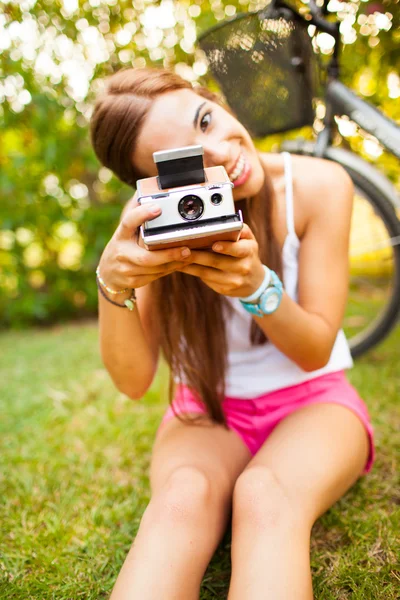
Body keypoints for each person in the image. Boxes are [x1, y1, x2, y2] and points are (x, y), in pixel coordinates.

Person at [90, 66, 375, 600]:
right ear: (154, 186)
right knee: (180, 498)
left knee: (266, 496)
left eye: (205, 120)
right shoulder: (154, 227)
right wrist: (112, 282)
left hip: (315, 402)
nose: (219, 152)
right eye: (186, 163)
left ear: (214, 99)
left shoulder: (317, 185)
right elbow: (132, 382)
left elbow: (315, 350)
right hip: (207, 408)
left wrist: (255, 285)